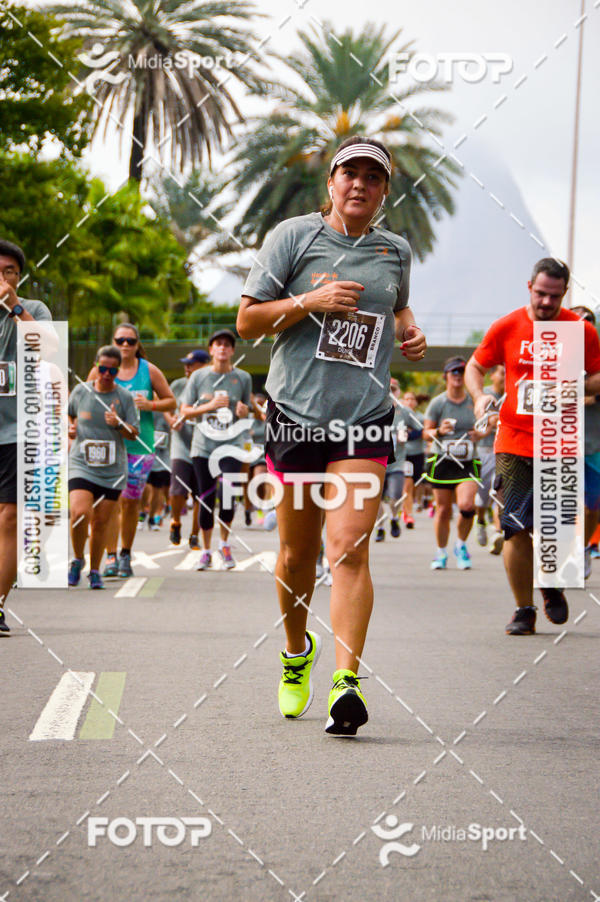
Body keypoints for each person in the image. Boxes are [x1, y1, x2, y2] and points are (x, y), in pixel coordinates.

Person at [237, 136, 426, 736]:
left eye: (373, 178)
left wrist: (410, 331)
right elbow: (246, 322)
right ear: (331, 182)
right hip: (295, 414)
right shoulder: (293, 238)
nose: (360, 185)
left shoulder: (395, 251)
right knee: (297, 553)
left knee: (347, 547)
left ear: (384, 192)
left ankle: (347, 683)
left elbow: (396, 313)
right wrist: (311, 299)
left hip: (364, 418)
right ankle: (298, 654)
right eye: (351, 174)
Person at [465, 259, 600, 635]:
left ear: (565, 294)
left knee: (556, 528)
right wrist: (478, 398)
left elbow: (597, 378)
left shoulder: (580, 330)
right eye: (540, 293)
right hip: (514, 440)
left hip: (561, 441)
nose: (545, 302)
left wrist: (574, 387)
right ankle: (523, 609)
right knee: (516, 526)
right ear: (529, 287)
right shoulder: (508, 326)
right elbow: (476, 366)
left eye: (554, 296)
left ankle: (552, 583)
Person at [89, 324, 175, 578]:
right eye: (120, 340)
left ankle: (125, 553)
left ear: (138, 344)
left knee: (129, 501)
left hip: (140, 444)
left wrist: (150, 404)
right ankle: (111, 555)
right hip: (107, 445)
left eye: (130, 341)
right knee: (107, 503)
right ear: (113, 342)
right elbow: (85, 398)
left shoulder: (149, 371)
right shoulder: (101, 369)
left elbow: (171, 400)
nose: (125, 345)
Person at [0, 240, 52, 635]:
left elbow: (50, 347)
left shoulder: (32, 310)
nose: (2, 278)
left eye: (9, 271)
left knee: (10, 517)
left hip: (16, 431)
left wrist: (15, 307)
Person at [180, 329, 252, 570]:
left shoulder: (242, 378)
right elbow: (185, 410)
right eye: (218, 344)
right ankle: (207, 550)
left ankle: (225, 544)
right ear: (211, 350)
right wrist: (209, 406)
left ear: (232, 351)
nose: (222, 348)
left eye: (227, 345)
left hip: (231, 445)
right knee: (207, 497)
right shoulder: (198, 377)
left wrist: (244, 411)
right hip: (203, 446)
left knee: (229, 496)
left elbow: (247, 408)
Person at [68, 346, 139, 588]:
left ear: (118, 371)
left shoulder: (124, 398)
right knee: (79, 514)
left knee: (100, 522)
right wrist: (71, 429)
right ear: (96, 367)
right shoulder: (81, 391)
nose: (107, 374)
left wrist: (118, 424)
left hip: (112, 469)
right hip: (82, 464)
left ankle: (95, 570)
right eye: (102, 369)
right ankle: (78, 559)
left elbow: (134, 434)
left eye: (112, 370)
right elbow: (70, 417)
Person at [424, 357, 482, 571]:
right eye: (453, 372)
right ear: (446, 376)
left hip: (467, 461)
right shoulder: (438, 403)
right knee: (443, 510)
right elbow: (425, 434)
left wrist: (480, 433)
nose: (457, 376)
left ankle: (461, 544)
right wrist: (439, 431)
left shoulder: (474, 402)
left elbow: (486, 427)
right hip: (442, 460)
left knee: (467, 505)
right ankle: (441, 552)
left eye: (461, 372)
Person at [165, 349, 209, 548]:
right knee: (177, 489)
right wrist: (171, 420)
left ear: (204, 365)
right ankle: (175, 522)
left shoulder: (211, 386)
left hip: (203, 445)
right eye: (186, 364)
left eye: (191, 364)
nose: (187, 368)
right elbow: (168, 406)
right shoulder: (178, 385)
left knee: (200, 493)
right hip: (181, 444)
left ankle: (194, 535)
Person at [571, 306, 600, 579]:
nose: (584, 324)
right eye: (577, 319)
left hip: (594, 444)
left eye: (589, 320)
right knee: (560, 502)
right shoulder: (554, 356)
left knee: (592, 505)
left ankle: (584, 547)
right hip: (559, 444)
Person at [375, 379, 412, 541]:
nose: (391, 392)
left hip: (397, 462)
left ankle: (395, 518)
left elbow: (421, 429)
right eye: (388, 388)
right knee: (375, 497)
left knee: (395, 494)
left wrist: (408, 434)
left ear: (398, 392)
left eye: (394, 389)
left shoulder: (405, 412)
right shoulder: (375, 410)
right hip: (378, 461)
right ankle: (381, 527)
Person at [474, 364, 505, 553]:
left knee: (499, 492)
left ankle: (497, 532)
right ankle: (480, 520)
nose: (505, 377)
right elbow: (475, 424)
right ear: (492, 375)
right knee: (482, 497)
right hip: (484, 451)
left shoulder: (513, 393)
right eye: (502, 373)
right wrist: (488, 423)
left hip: (503, 452)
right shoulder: (483, 395)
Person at [401, 389, 425, 528]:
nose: (409, 401)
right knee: (407, 486)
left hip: (418, 454)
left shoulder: (421, 417)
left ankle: (408, 506)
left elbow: (421, 432)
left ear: (415, 402)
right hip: (404, 455)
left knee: (416, 484)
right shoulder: (399, 415)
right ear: (403, 401)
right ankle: (408, 514)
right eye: (406, 399)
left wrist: (409, 433)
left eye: (412, 399)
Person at [146, 411, 171, 529]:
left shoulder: (169, 406)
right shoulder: (142, 403)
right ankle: (142, 512)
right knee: (146, 488)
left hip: (162, 457)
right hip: (143, 454)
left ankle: (154, 516)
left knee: (158, 489)